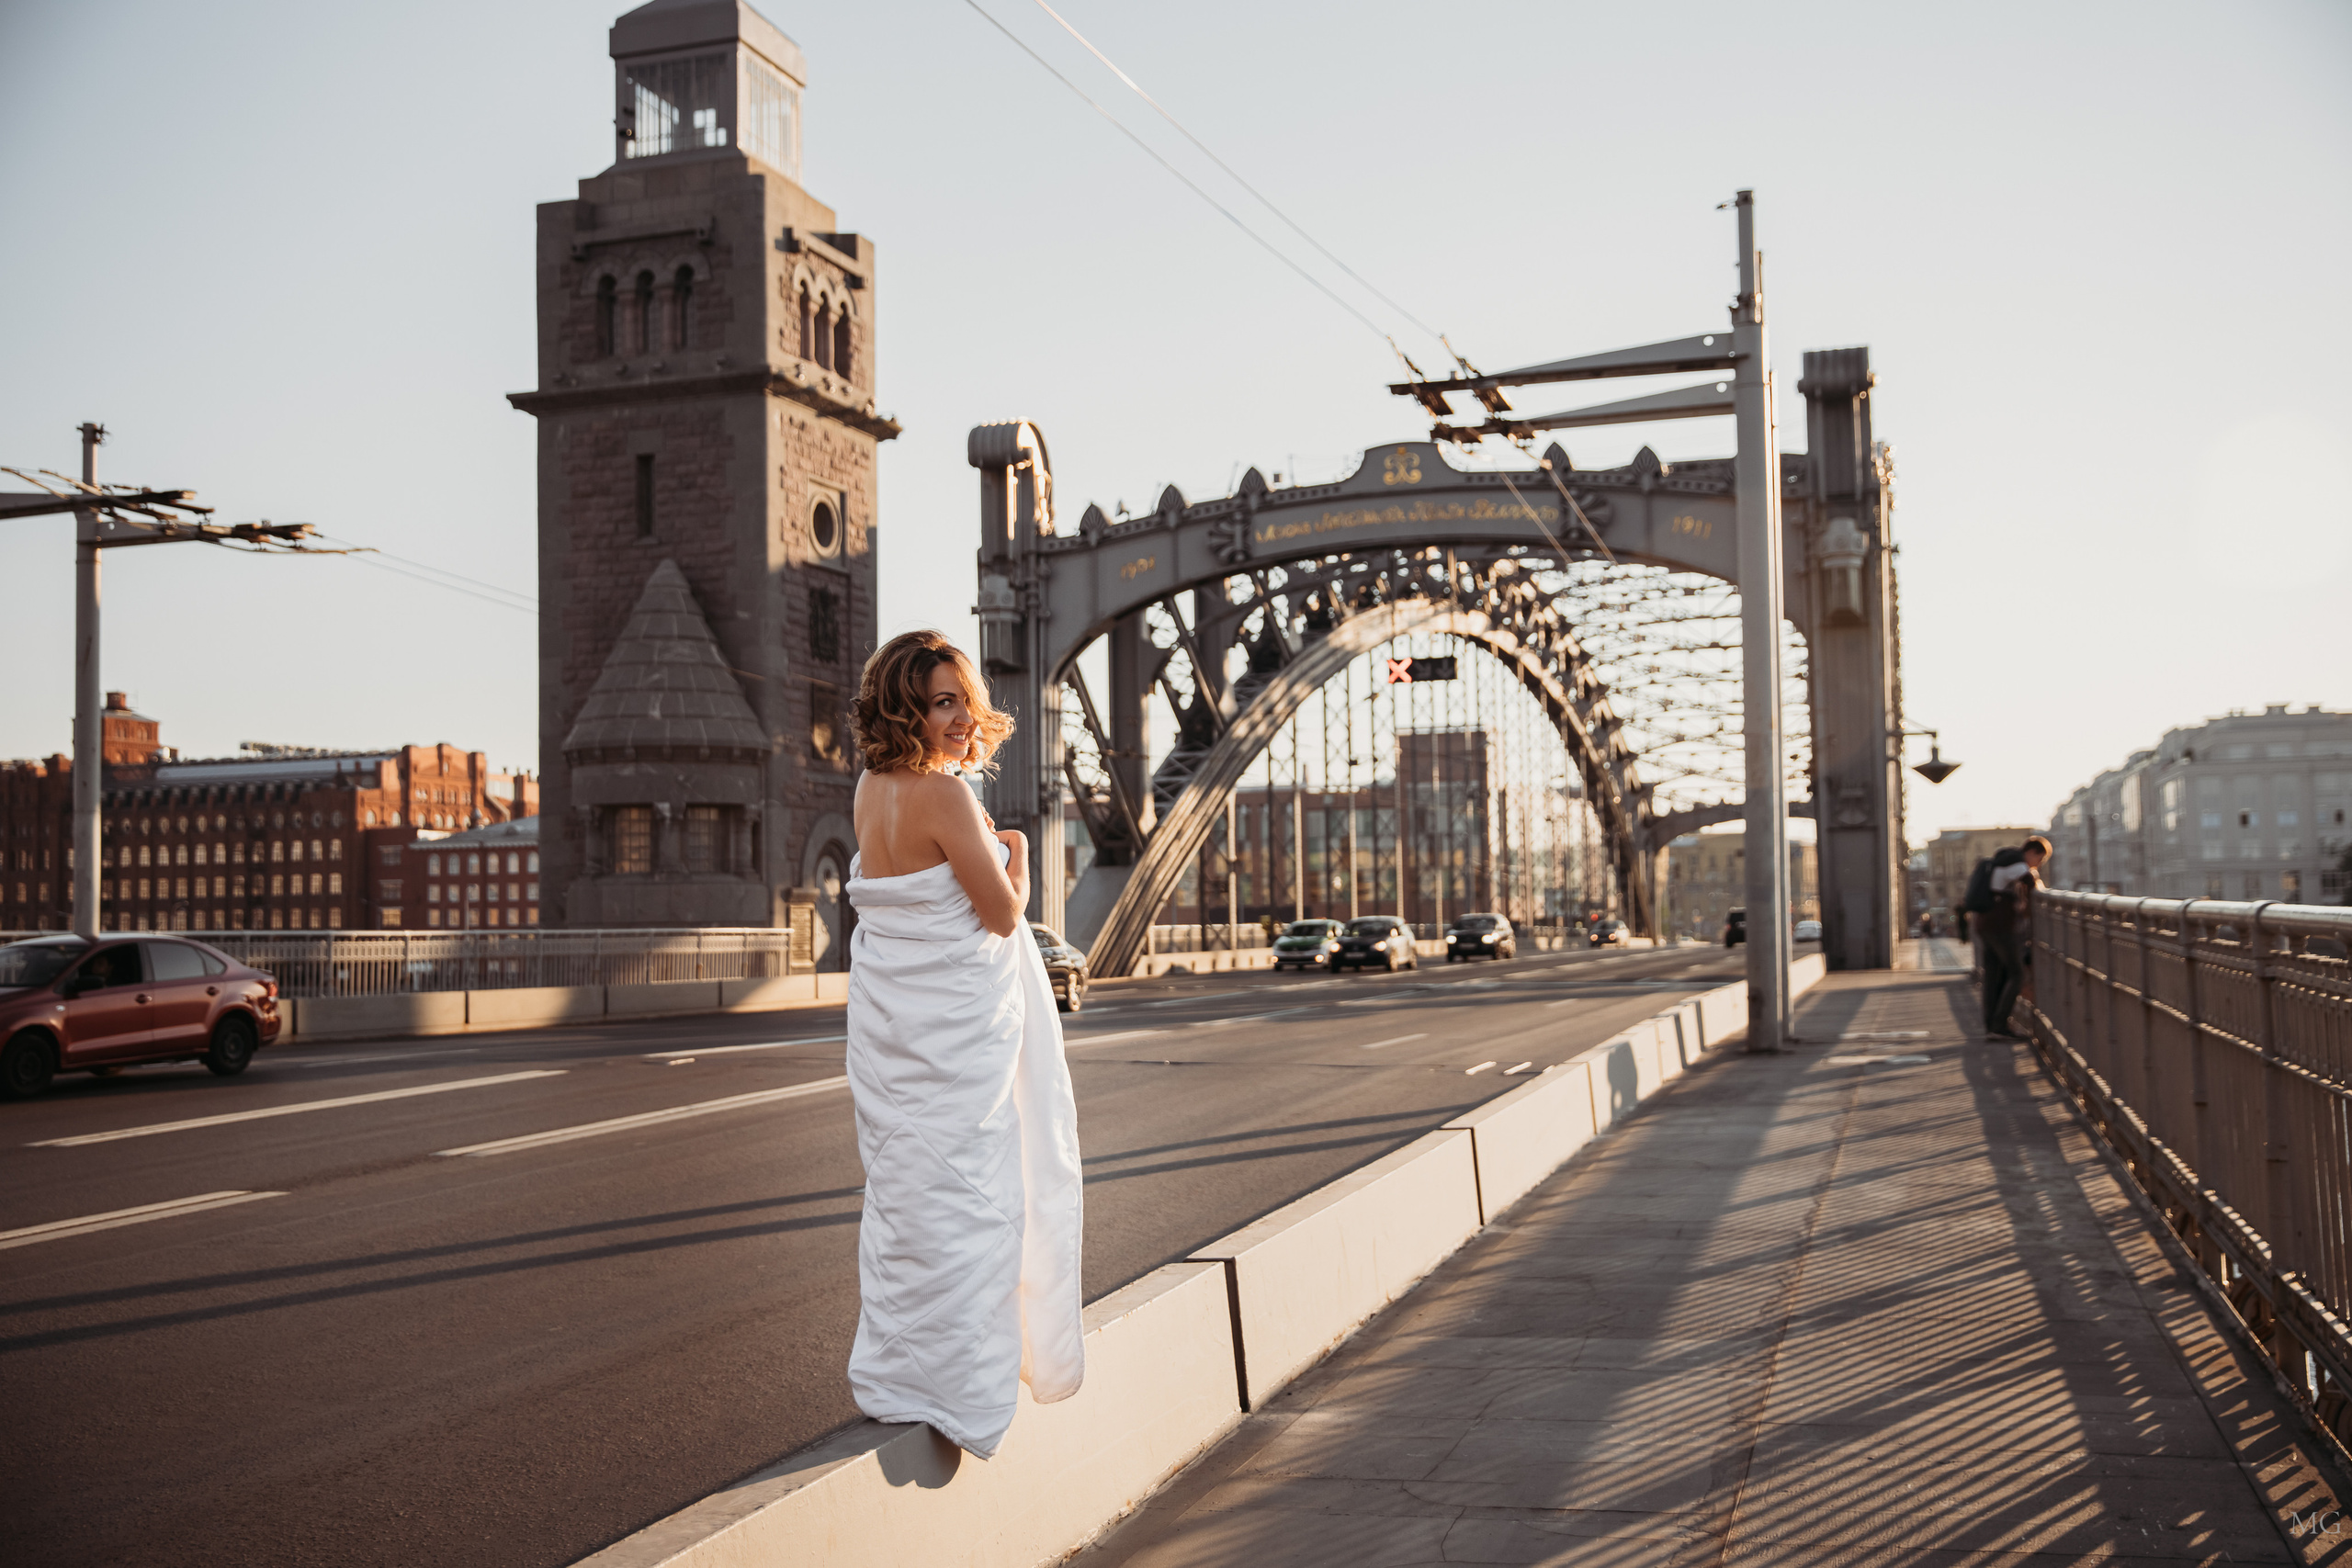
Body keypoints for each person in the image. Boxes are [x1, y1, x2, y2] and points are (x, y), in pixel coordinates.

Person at [841, 631, 1084, 1459]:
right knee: (974, 1203)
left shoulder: (870, 789)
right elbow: (1003, 914)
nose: (957, 718)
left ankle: (899, 1373)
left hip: (898, 1032)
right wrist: (1014, 850)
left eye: (963, 700)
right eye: (940, 701)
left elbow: (894, 899)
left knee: (911, 1202)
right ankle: (960, 1390)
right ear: (905, 707)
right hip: (954, 1044)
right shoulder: (943, 797)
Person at [1976, 835, 2050, 1040]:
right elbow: (2030, 880)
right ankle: (1999, 1025)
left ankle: (1992, 1026)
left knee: (1993, 976)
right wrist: (2036, 879)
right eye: (2040, 860)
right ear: (2033, 852)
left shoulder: (2005, 860)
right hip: (1999, 927)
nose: (2039, 865)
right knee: (2017, 974)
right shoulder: (2016, 862)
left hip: (1986, 924)